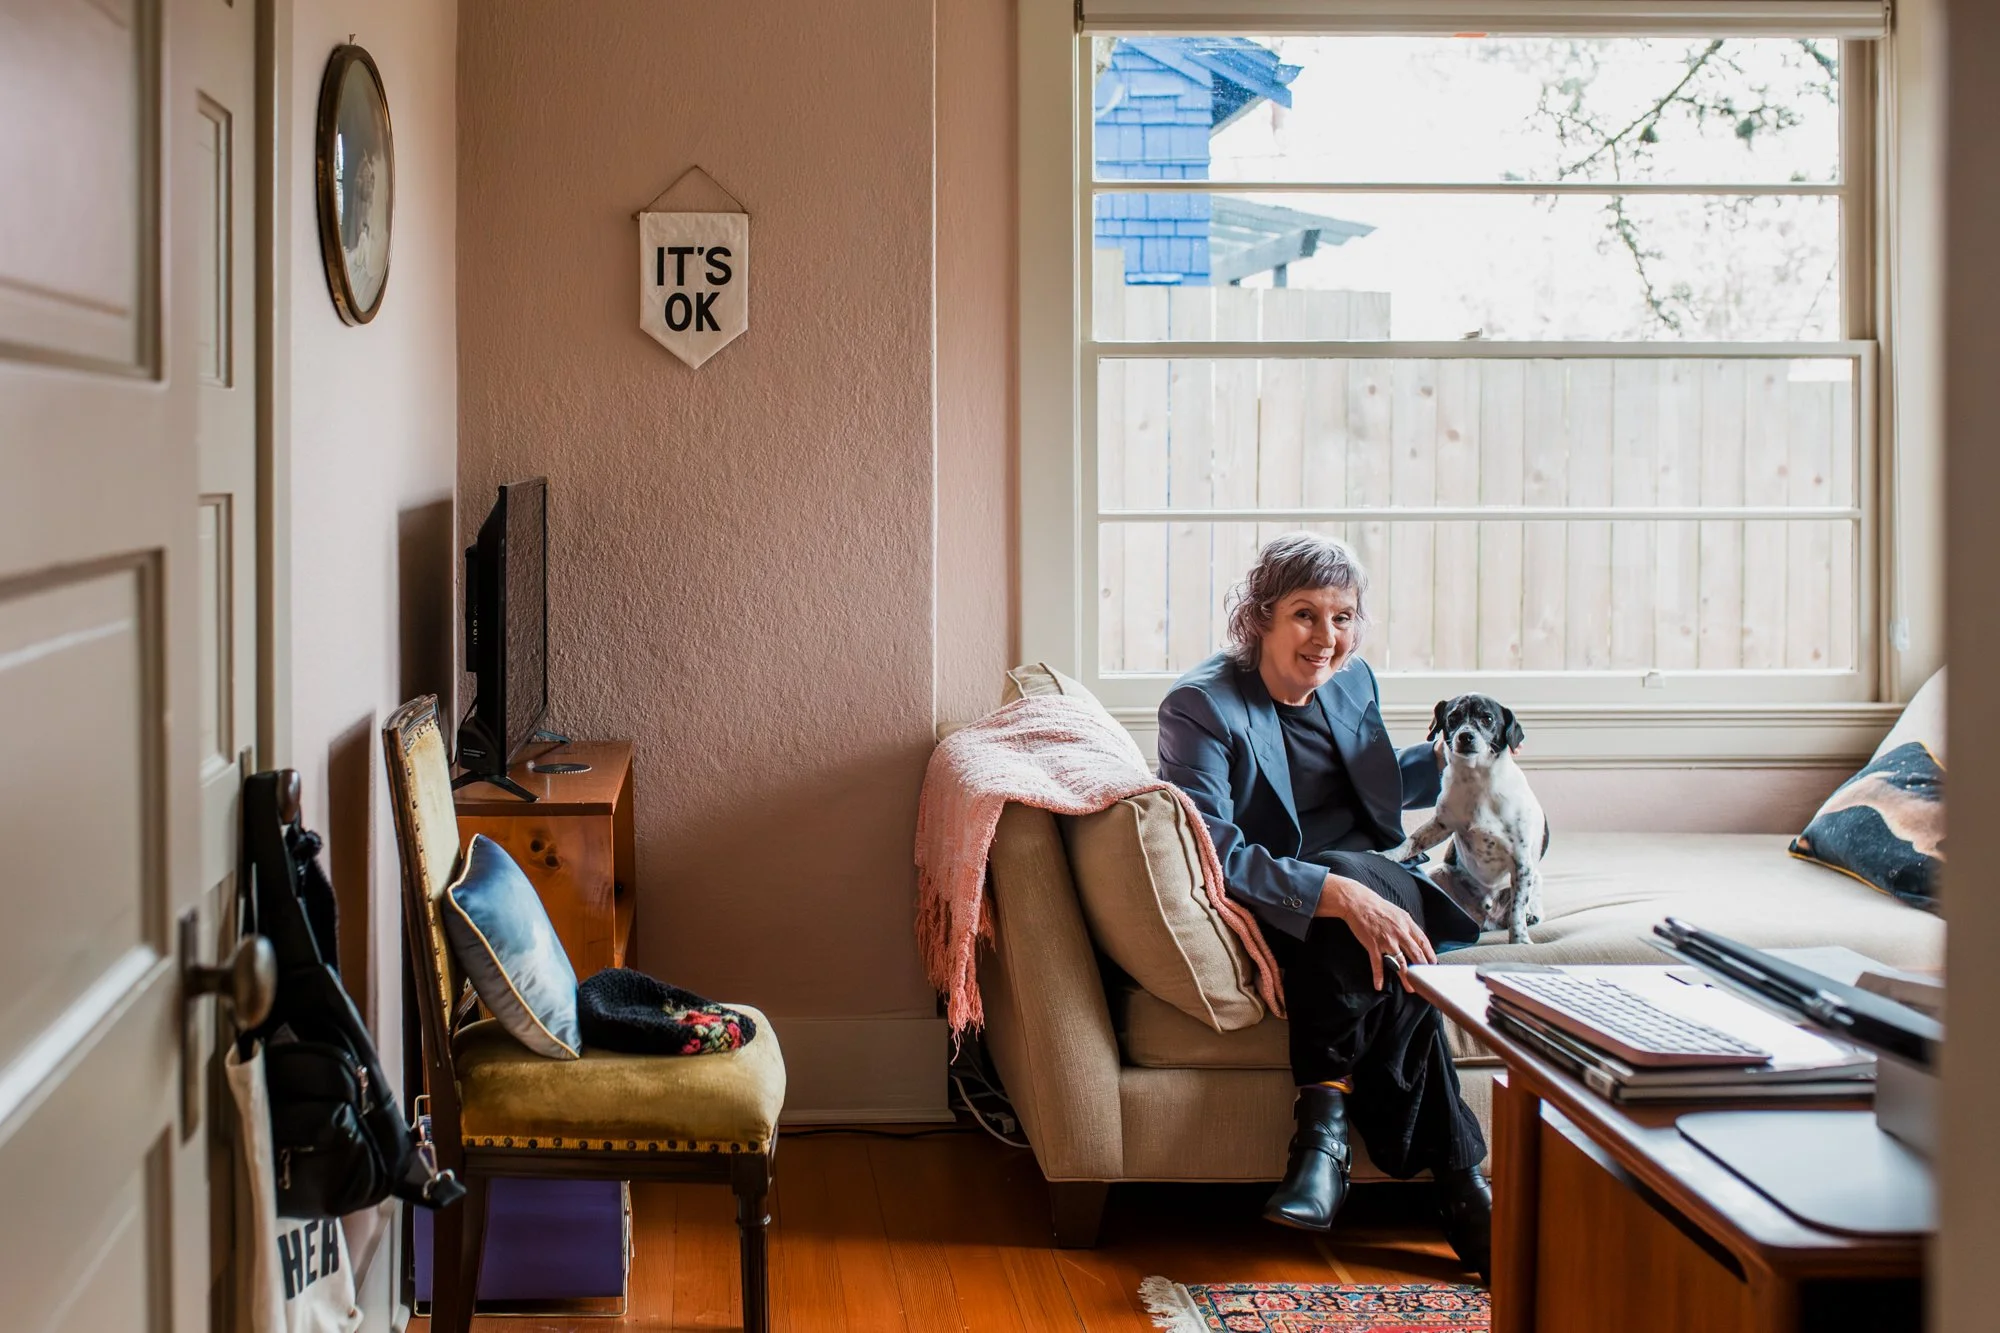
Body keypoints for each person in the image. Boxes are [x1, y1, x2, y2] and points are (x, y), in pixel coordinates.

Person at [1156, 531, 1492, 1277]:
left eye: (1343, 616)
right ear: (1260, 618)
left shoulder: (1352, 679)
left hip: (1378, 873)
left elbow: (1374, 795)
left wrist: (1448, 762)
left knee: (1355, 878)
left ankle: (1323, 1132)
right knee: (1368, 936)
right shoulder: (1201, 706)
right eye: (1306, 614)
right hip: (1291, 901)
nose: (1327, 637)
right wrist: (1333, 893)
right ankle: (1463, 1183)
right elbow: (1211, 847)